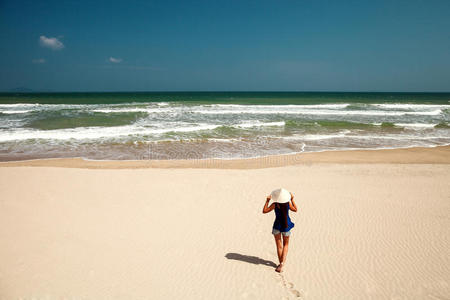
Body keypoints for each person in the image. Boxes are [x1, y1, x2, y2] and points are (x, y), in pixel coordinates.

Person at [262, 188, 297, 272]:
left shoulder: (275, 204)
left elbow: (264, 211)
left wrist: (267, 201)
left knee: (279, 245)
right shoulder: (287, 204)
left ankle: (280, 263)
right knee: (286, 245)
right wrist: (292, 199)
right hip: (286, 226)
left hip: (277, 226)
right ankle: (282, 264)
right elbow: (295, 209)